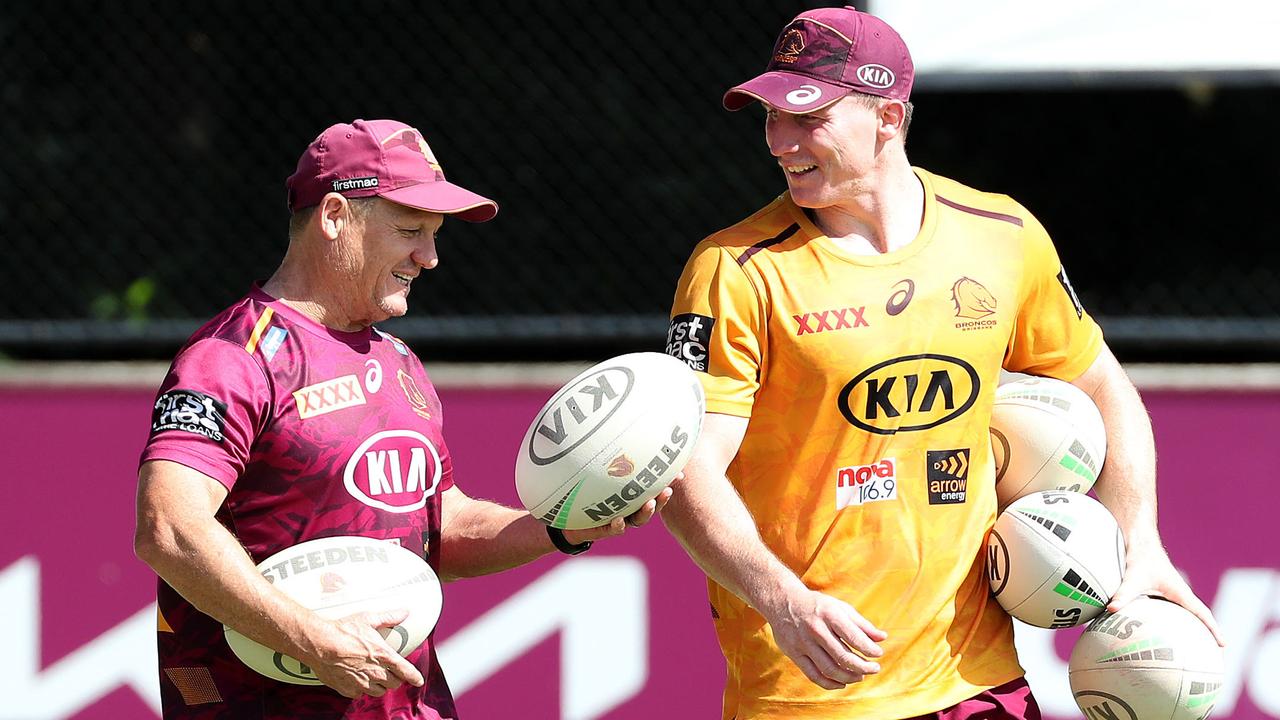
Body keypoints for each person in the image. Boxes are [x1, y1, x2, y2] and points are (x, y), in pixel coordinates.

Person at [661, 7, 1224, 720]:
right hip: (812, 691)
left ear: (888, 119)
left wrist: (1140, 543)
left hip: (978, 681)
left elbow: (1104, 385)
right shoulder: (732, 270)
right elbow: (687, 470)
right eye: (770, 116)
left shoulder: (1001, 234)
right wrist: (783, 600)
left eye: (809, 117)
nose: (779, 140)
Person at [133, 118, 670, 720]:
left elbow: (439, 528)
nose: (430, 257)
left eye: (435, 234)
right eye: (411, 230)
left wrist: (562, 526)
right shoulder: (234, 357)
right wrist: (317, 641)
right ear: (335, 217)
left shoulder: (399, 361)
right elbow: (170, 528)